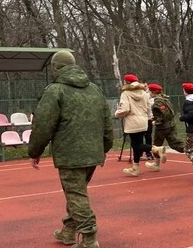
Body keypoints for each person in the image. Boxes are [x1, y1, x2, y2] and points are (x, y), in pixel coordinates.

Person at [28, 50, 113, 248]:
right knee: (77, 192)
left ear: (55, 67)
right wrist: (104, 147)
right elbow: (106, 122)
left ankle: (89, 237)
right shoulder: (94, 89)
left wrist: (35, 151)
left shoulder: (55, 90)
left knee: (75, 194)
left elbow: (43, 125)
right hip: (93, 151)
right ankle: (69, 230)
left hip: (70, 152)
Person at [113, 73, 152, 177]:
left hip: (132, 121)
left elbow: (125, 109)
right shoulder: (144, 93)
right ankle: (135, 167)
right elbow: (148, 107)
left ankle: (155, 149)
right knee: (137, 144)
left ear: (126, 82)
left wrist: (117, 113)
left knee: (136, 145)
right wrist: (148, 117)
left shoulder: (125, 94)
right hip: (143, 120)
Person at [145, 83, 185, 172]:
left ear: (153, 92)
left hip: (162, 127)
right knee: (174, 143)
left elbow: (165, 114)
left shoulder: (158, 102)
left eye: (150, 91)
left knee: (156, 145)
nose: (149, 93)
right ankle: (190, 151)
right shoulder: (165, 99)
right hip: (171, 125)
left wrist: (157, 121)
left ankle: (156, 163)